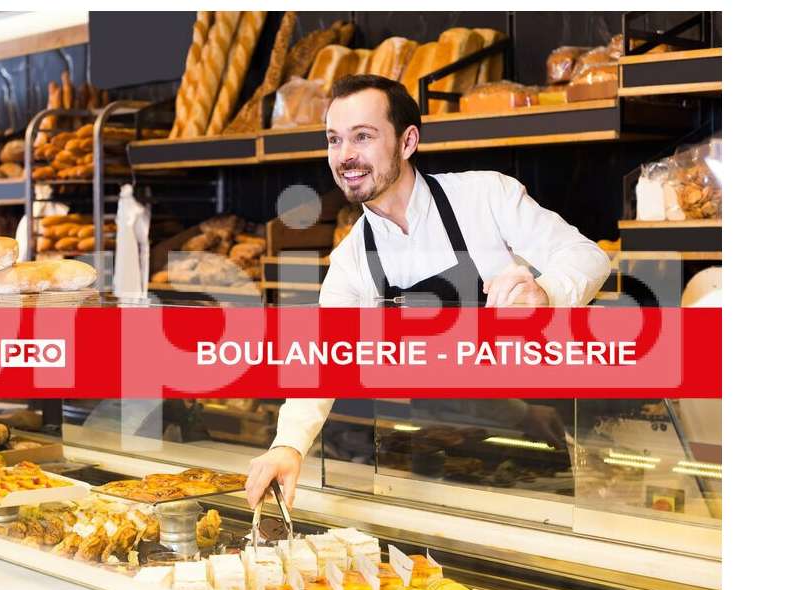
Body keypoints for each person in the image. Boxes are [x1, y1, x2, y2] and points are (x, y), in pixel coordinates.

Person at [244, 75, 610, 509]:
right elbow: (326, 358)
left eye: (362, 136)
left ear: (407, 141)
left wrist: (546, 293)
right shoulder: (351, 259)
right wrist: (288, 445)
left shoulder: (485, 197)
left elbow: (589, 256)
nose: (345, 156)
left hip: (532, 452)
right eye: (334, 140)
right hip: (428, 463)